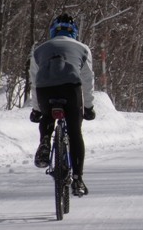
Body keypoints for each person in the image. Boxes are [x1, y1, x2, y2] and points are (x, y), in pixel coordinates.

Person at [29, 13, 96, 196]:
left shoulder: (39, 49)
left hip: (45, 90)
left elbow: (34, 82)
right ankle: (78, 180)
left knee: (47, 116)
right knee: (74, 132)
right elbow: (87, 80)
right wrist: (89, 108)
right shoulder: (83, 48)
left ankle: (45, 141)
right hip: (70, 89)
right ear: (74, 32)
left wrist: (36, 110)